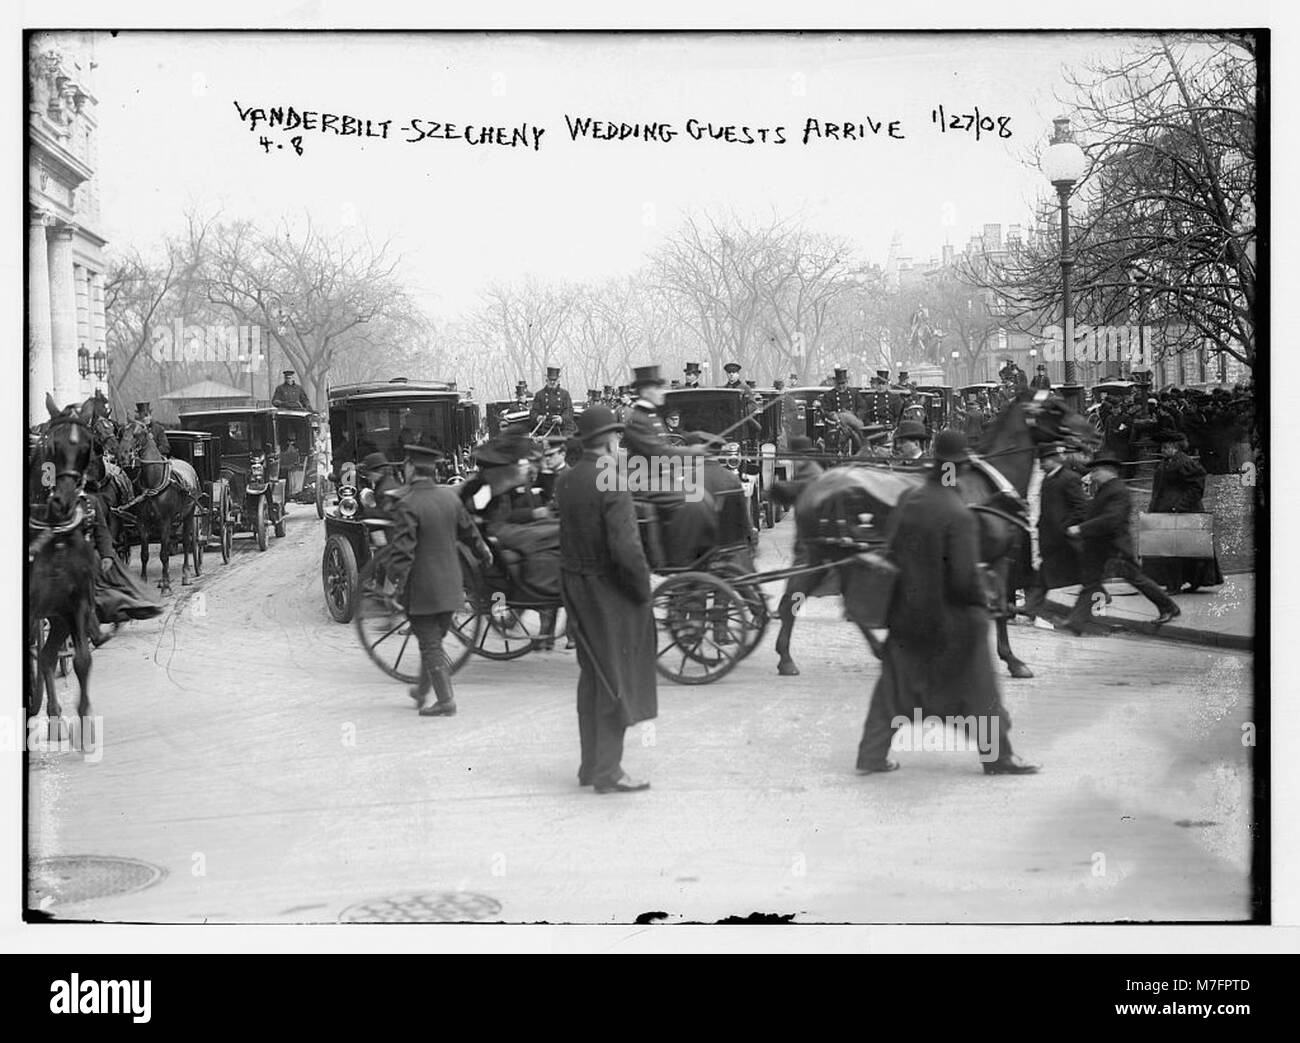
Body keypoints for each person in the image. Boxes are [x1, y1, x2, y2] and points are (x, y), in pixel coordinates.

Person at [855, 430, 1040, 776]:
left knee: (892, 692)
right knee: (979, 690)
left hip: (906, 617)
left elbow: (890, 551)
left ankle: (871, 755)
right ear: (957, 470)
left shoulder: (909, 500)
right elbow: (963, 579)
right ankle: (998, 757)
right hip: (950, 623)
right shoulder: (958, 514)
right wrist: (984, 596)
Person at [554, 406, 657, 793]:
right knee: (616, 676)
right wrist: (641, 590)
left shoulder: (566, 480)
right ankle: (608, 771)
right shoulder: (611, 478)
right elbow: (626, 548)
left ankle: (590, 765)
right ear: (611, 439)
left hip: (575, 587)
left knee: (592, 676)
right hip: (608, 590)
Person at [386, 445, 493, 716]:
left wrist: (393, 581)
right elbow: (470, 533)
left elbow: (403, 551)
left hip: (423, 590)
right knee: (432, 640)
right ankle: (422, 691)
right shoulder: (450, 499)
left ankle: (446, 700)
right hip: (452, 588)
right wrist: (484, 553)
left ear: (410, 467)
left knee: (429, 643)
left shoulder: (408, 504)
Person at [1062, 454, 1180, 634]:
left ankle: (1169, 607)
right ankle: (1076, 621)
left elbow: (1111, 519)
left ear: (1108, 471)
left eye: (1095, 471)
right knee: (1091, 582)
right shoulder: (1105, 488)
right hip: (1101, 548)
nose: (1092, 475)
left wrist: (1081, 529)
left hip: (1115, 548)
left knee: (1138, 580)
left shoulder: (1118, 491)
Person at [1142, 431, 1223, 594]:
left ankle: (1178, 584)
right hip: (1167, 511)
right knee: (1170, 549)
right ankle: (1180, 582)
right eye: (1162, 447)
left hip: (1182, 512)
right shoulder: (1167, 462)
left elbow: (1197, 486)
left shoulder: (1184, 462)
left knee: (1178, 550)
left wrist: (1180, 505)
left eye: (1166, 447)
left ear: (1175, 447)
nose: (1163, 450)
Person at [1021, 444, 1087, 620]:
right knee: (1043, 575)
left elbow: (1081, 507)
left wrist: (1067, 525)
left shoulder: (1070, 478)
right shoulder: (1047, 479)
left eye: (1043, 461)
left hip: (1064, 539)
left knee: (1078, 575)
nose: (1041, 465)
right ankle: (1030, 608)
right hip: (1048, 537)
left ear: (1052, 460)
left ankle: (1094, 604)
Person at [530, 365, 575, 437]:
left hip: (562, 428)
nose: (552, 382)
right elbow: (533, 412)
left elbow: (569, 411)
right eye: (550, 380)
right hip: (544, 427)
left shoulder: (565, 394)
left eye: (555, 380)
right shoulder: (539, 394)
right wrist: (538, 417)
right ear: (546, 380)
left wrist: (562, 418)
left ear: (558, 380)